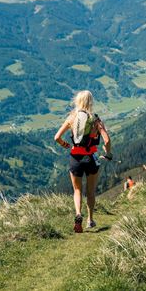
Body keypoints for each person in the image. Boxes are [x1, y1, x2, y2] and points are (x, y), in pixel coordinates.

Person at [54, 90, 112, 233]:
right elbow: (107, 140)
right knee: (90, 191)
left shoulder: (72, 117)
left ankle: (78, 214)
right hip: (90, 158)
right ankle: (90, 220)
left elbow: (56, 137)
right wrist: (108, 152)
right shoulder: (96, 120)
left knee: (77, 190)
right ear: (91, 102)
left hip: (75, 158)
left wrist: (65, 145)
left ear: (77, 101)